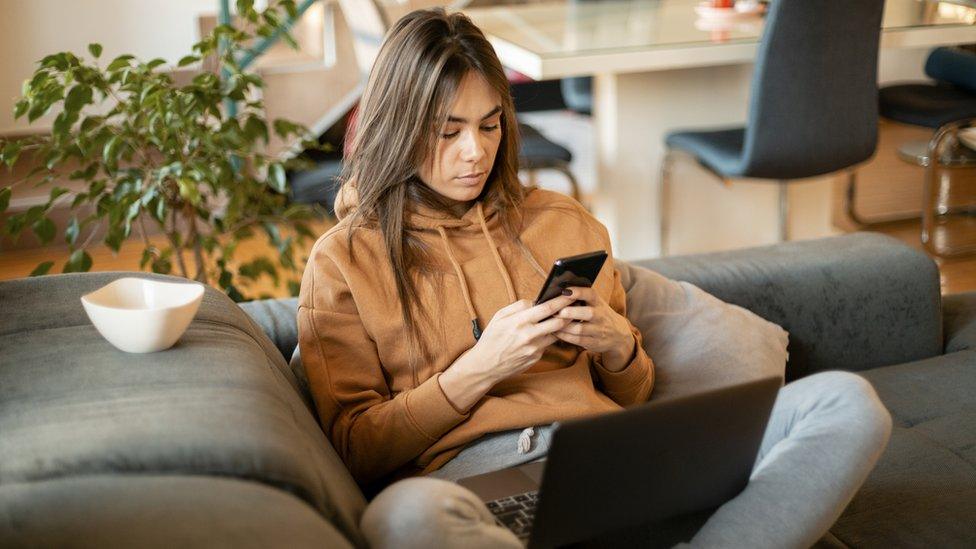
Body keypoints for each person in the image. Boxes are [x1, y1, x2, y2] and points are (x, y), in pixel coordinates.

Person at [297, 8, 892, 548]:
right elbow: (355, 449)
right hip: (468, 485)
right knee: (403, 520)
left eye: (489, 125)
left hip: (612, 459)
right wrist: (481, 368)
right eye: (447, 131)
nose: (475, 152)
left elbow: (632, 393)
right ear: (400, 127)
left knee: (845, 402)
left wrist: (617, 348)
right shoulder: (344, 262)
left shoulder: (562, 221)